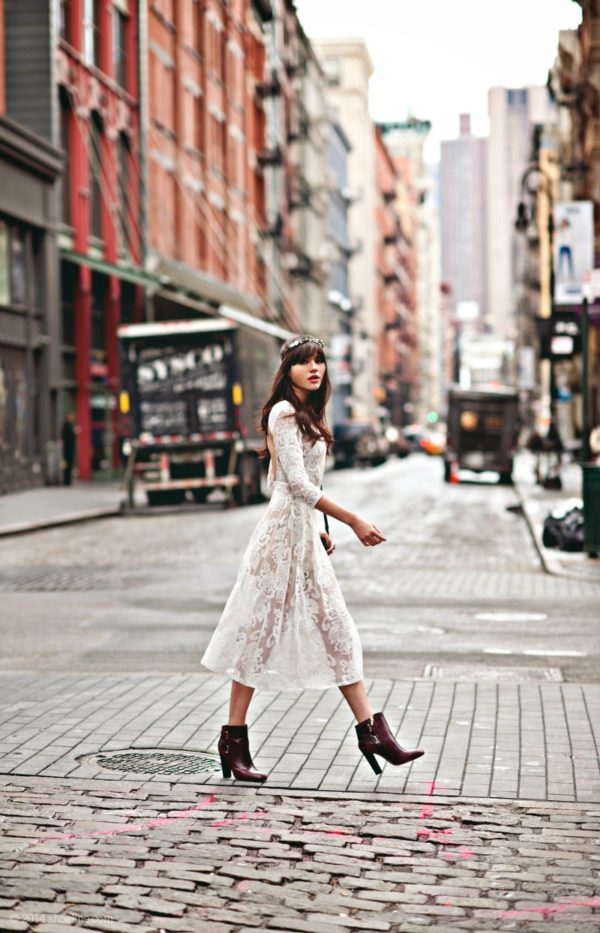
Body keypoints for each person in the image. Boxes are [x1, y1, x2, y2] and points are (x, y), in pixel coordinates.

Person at [201, 335, 424, 782]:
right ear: (288, 372)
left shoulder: (309, 415)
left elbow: (306, 482)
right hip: (280, 538)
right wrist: (351, 520)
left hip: (301, 536)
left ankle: (371, 731)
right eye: (304, 362)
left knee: (336, 627)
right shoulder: (284, 413)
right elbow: (295, 485)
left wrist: (318, 530)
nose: (314, 368)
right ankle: (233, 738)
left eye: (319, 360)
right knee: (259, 635)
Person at [61, 412, 77, 486]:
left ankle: (69, 480)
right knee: (66, 465)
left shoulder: (71, 425)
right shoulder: (66, 426)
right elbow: (65, 437)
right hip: (67, 449)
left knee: (70, 465)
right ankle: (66, 481)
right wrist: (74, 432)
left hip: (70, 449)